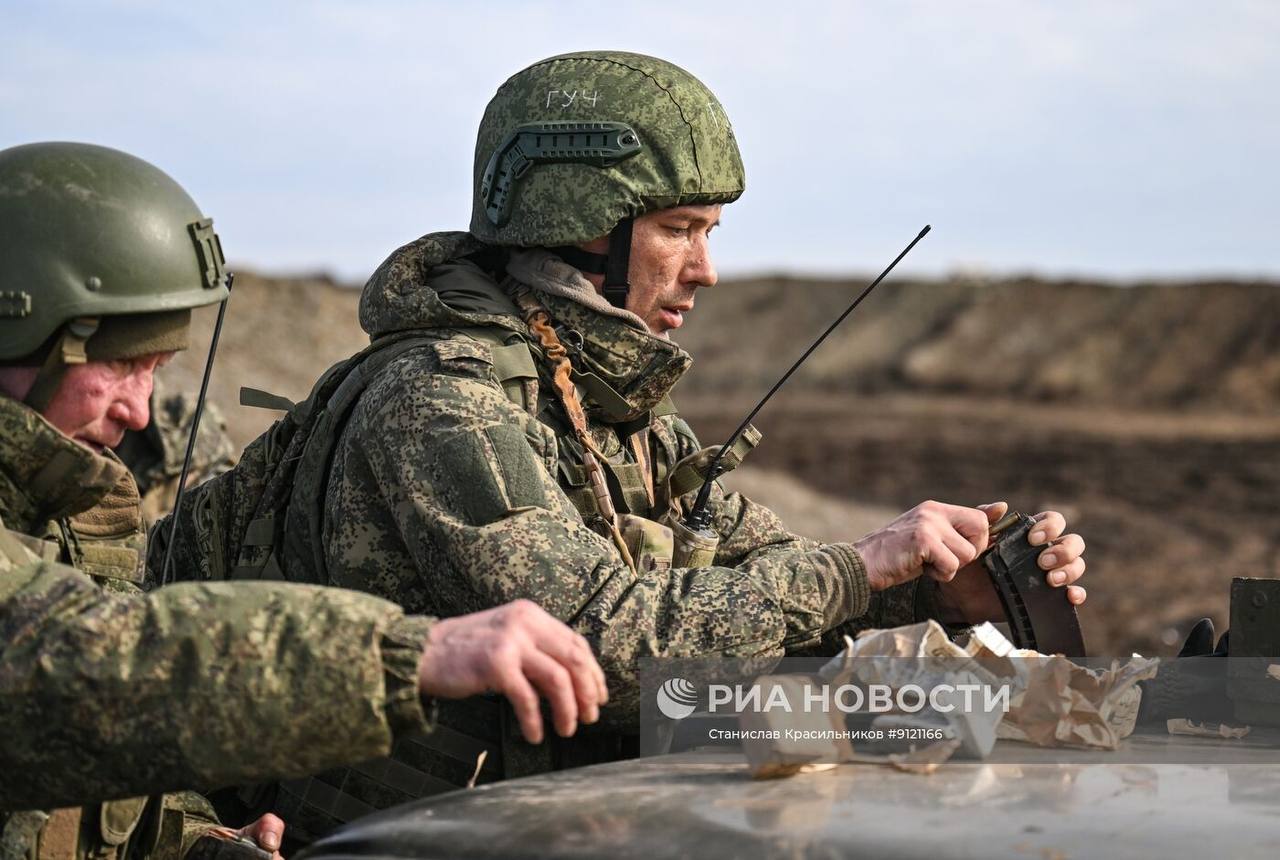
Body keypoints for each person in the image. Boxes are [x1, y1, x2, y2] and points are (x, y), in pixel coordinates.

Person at [159, 50, 1085, 825]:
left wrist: (937, 592)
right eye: (680, 230)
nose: (706, 270)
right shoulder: (440, 404)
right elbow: (607, 646)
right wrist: (860, 566)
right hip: (405, 835)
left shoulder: (608, 405)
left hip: (545, 820)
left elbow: (753, 577)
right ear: (582, 232)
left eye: (709, 232)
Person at [0, 141, 606, 858]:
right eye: (122, 366)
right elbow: (71, 666)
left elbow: (86, 773)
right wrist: (403, 657)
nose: (139, 411)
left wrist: (196, 838)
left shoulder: (55, 508)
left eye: (156, 370)